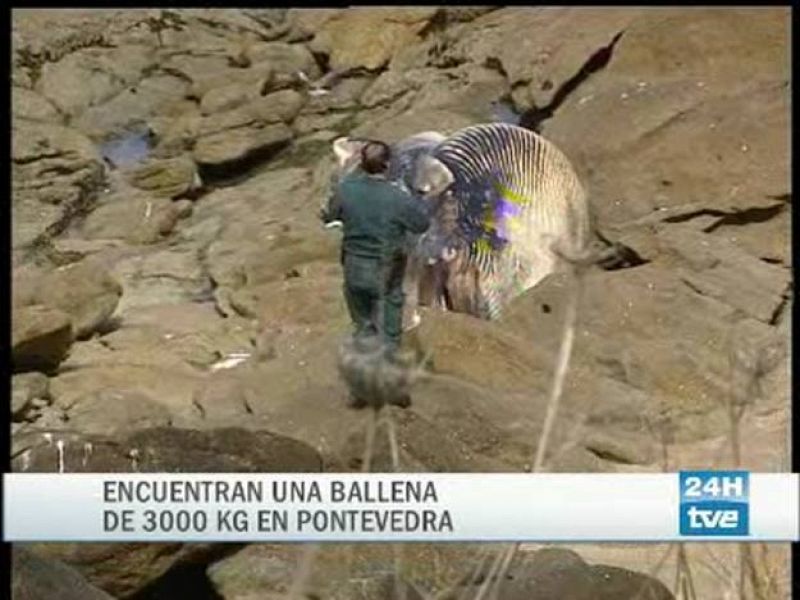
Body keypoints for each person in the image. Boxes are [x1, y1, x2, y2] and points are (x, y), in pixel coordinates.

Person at [321, 140, 431, 405]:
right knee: (389, 331)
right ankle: (391, 390)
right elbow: (421, 224)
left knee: (363, 328)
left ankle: (361, 391)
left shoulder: (346, 189)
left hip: (354, 268)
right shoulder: (397, 197)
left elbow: (329, 215)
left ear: (361, 162)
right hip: (386, 271)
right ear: (388, 165)